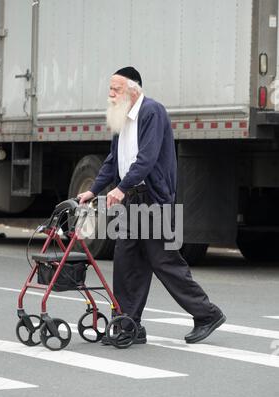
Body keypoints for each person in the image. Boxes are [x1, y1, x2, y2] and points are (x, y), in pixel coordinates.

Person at [78, 66, 226, 345]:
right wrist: (93, 190)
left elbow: (146, 159)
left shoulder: (152, 112)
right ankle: (129, 324)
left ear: (133, 90)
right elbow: (113, 160)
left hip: (153, 199)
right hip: (132, 200)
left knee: (164, 260)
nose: (111, 94)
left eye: (116, 89)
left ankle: (207, 314)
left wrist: (121, 188)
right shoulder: (121, 116)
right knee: (126, 262)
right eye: (110, 89)